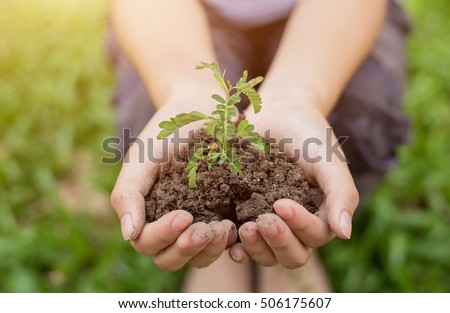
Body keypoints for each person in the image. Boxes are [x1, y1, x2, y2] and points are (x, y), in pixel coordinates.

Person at [108, 0, 410, 292]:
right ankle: (216, 243)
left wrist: (300, 94)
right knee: (149, 124)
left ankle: (286, 234)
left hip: (332, 21)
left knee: (357, 122)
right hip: (181, 24)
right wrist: (185, 87)